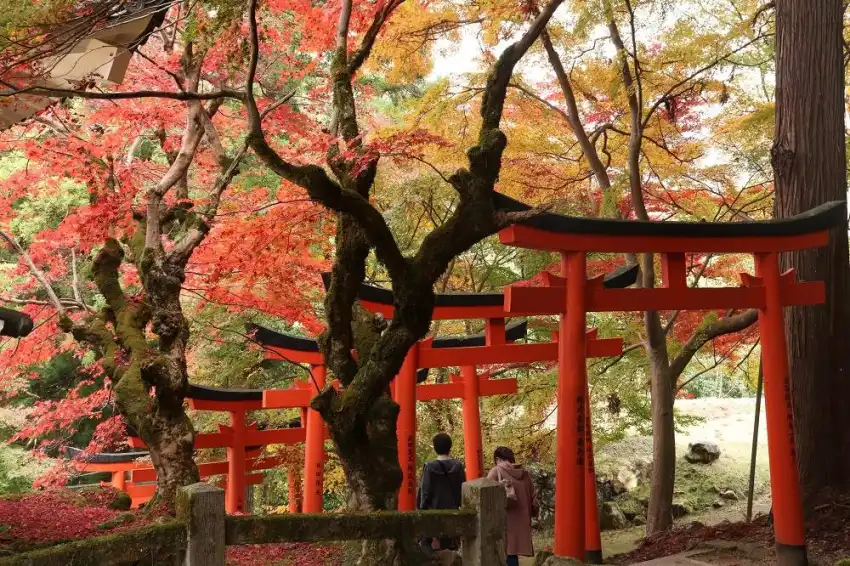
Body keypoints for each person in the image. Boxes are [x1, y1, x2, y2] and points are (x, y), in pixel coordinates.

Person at [487, 446, 539, 566]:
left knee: (506, 552)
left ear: (498, 458)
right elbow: (534, 499)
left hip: (503, 520)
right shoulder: (525, 473)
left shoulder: (496, 471)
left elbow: (486, 495)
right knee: (512, 553)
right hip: (522, 521)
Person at [417, 433, 466, 553]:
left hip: (434, 513)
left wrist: (422, 509)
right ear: (450, 446)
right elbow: (463, 489)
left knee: (432, 550)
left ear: (435, 447)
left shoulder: (429, 466)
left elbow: (425, 491)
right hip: (453, 512)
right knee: (451, 549)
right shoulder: (458, 465)